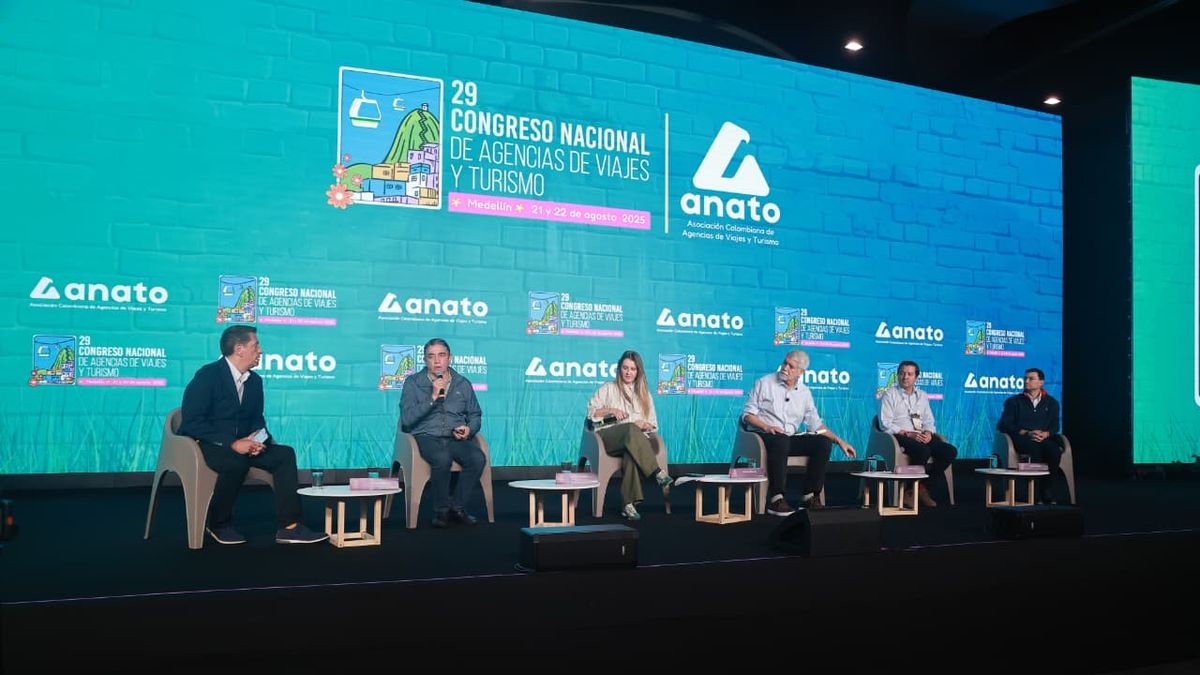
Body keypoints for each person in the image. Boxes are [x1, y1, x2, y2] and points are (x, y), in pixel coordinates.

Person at [178, 325, 327, 545]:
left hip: (244, 445)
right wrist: (232, 443)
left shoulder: (255, 382)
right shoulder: (208, 376)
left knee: (284, 454)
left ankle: (290, 526)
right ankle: (218, 524)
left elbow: (257, 419)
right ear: (239, 349)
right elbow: (192, 423)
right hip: (208, 443)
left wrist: (258, 440)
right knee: (235, 461)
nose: (261, 350)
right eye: (256, 345)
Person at [742, 350, 856, 516]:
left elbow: (816, 425)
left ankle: (809, 497)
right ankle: (776, 499)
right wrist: (767, 427)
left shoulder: (804, 392)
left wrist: (839, 441)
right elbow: (747, 415)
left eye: (791, 366)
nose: (785, 368)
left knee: (822, 443)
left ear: (801, 372)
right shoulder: (764, 383)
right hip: (763, 436)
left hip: (787, 439)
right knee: (781, 440)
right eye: (785, 363)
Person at [399, 338, 486, 528]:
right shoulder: (413, 383)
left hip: (455, 438)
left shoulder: (462, 383)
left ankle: (457, 507)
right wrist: (432, 397)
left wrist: (469, 429)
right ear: (425, 360)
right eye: (431, 356)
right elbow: (406, 419)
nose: (437, 361)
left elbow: (475, 415)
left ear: (449, 358)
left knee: (477, 458)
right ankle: (442, 511)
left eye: (441, 355)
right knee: (442, 458)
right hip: (426, 437)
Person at [585, 350, 671, 521]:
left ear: (638, 371)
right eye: (625, 368)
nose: (628, 372)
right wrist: (611, 410)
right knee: (631, 429)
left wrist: (643, 424)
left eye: (633, 369)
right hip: (607, 439)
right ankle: (657, 472)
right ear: (619, 369)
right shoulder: (608, 388)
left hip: (634, 442)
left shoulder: (645, 395)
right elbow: (591, 413)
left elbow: (652, 424)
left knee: (631, 453)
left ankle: (628, 505)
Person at [878, 360, 958, 507]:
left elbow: (929, 420)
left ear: (916, 377)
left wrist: (928, 433)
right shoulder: (889, 395)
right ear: (897, 375)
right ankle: (908, 491)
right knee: (923, 451)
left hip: (921, 434)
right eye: (902, 373)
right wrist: (907, 434)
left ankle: (922, 488)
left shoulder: (922, 395)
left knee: (950, 451)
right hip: (900, 435)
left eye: (909, 374)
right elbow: (885, 423)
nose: (905, 377)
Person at [997, 367, 1063, 503]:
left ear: (1041, 382)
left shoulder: (1052, 403)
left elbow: (1055, 426)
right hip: (1022, 438)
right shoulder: (1013, 401)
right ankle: (1033, 493)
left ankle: (1047, 491)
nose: (1026, 381)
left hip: (1043, 438)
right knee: (1034, 449)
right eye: (1025, 378)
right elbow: (1005, 425)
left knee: (1054, 451)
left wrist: (1046, 434)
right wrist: (1027, 432)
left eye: (1031, 379)